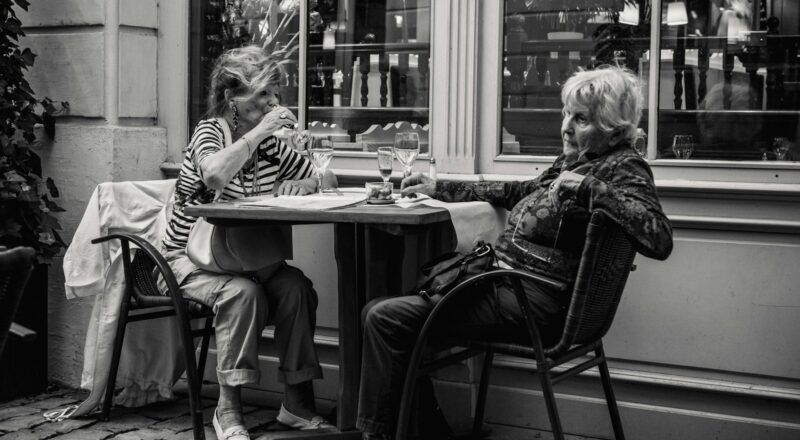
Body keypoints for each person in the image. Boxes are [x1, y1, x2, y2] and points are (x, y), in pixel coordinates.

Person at [357, 66, 673, 440]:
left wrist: (591, 189)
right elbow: (516, 191)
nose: (566, 127)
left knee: (385, 318)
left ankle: (385, 433)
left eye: (581, 118)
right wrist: (439, 187)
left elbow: (660, 239)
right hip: (508, 289)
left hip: (531, 301)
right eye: (567, 115)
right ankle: (424, 428)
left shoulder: (623, 166)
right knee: (386, 315)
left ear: (611, 125)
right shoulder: (574, 160)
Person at [161, 46, 334, 440]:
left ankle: (296, 404)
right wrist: (260, 133)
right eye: (262, 94)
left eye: (274, 92)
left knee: (295, 288)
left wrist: (305, 181)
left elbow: (327, 178)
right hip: (187, 260)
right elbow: (214, 177)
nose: (273, 101)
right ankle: (228, 409)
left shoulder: (273, 145)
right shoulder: (210, 131)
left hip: (247, 259)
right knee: (243, 294)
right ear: (231, 97)